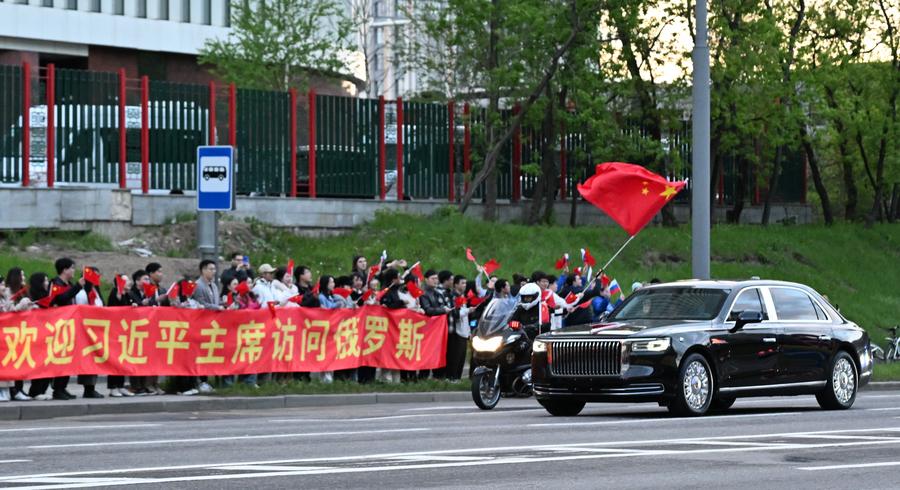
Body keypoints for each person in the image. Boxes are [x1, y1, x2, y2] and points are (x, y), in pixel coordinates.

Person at [30, 258, 84, 400]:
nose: (74, 271)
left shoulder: (69, 284)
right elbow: (59, 299)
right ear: (64, 269)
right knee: (53, 359)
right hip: (55, 327)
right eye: (72, 268)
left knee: (66, 358)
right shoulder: (55, 283)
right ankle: (46, 389)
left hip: (68, 326)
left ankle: (61, 387)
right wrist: (78, 286)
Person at [445, 275, 470, 381]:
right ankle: (451, 378)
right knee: (454, 357)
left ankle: (457, 378)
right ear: (455, 284)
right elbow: (454, 314)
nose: (465, 285)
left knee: (461, 357)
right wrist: (468, 310)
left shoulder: (462, 296)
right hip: (455, 331)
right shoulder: (453, 297)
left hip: (464, 331)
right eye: (462, 283)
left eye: (465, 283)